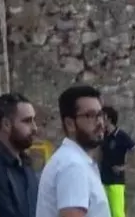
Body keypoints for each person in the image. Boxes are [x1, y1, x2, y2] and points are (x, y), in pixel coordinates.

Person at [35, 84, 109, 217]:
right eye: (90, 115)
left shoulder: (76, 161)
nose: (100, 123)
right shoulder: (73, 166)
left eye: (100, 114)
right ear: (70, 124)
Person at [97, 106, 135, 217]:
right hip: (103, 180)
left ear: (108, 119)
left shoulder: (121, 136)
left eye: (101, 117)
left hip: (116, 182)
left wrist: (124, 167)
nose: (99, 120)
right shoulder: (103, 136)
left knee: (117, 214)